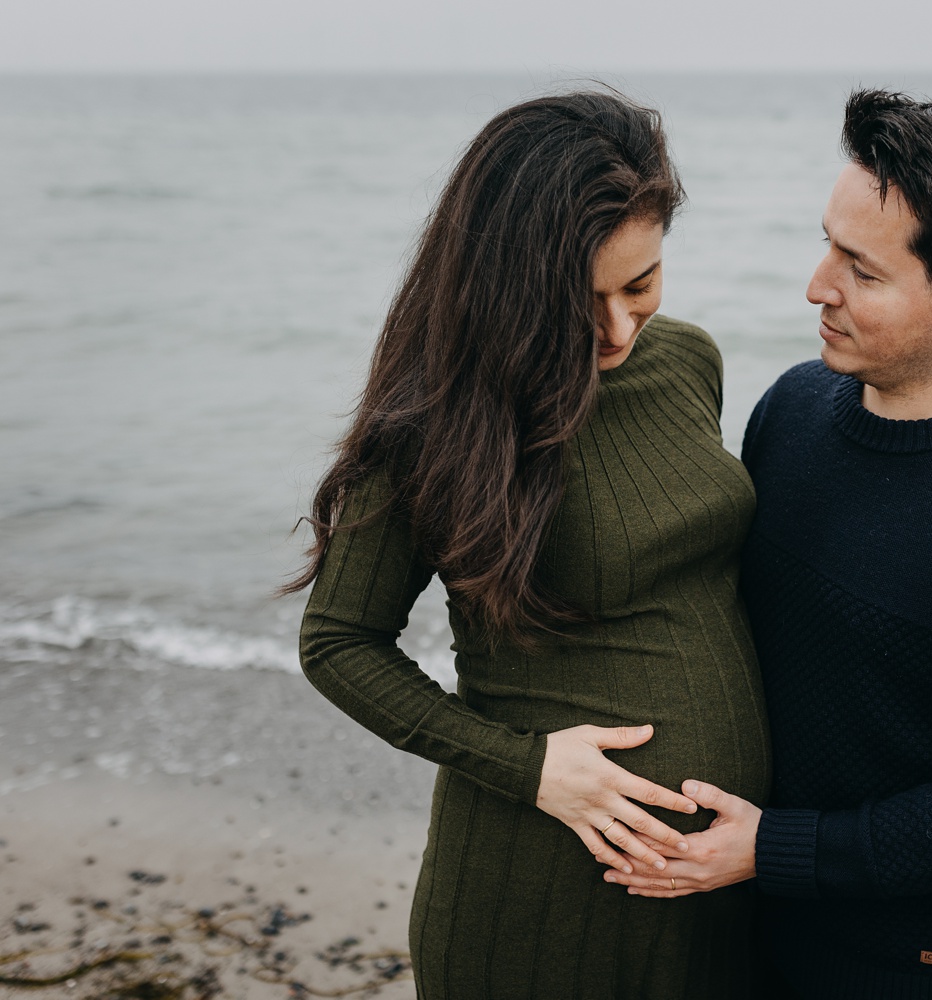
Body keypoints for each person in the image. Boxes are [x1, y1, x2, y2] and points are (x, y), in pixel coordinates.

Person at [602, 89, 932, 998]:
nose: (817, 286)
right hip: (736, 921)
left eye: (862, 270)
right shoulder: (795, 410)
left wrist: (774, 846)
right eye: (827, 244)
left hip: (912, 962)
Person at [285, 91, 772, 1000]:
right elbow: (338, 644)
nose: (620, 330)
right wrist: (533, 767)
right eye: (581, 301)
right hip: (538, 890)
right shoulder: (437, 423)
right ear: (511, 280)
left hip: (715, 885)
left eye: (642, 284)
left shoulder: (688, 361)